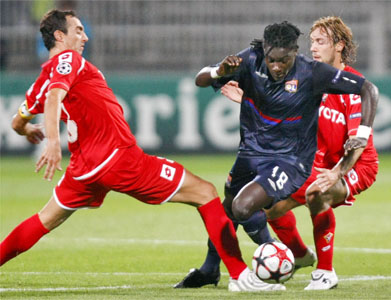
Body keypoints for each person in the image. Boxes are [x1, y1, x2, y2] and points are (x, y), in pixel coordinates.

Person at [0, 9, 286, 292]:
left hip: (84, 168)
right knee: (205, 192)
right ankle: (240, 276)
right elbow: (54, 98)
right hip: (117, 158)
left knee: (43, 220)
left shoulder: (41, 80)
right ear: (59, 36)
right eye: (78, 30)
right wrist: (51, 141)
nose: (85, 36)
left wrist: (27, 130)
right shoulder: (68, 59)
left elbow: (18, 120)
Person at [175, 20, 379, 288]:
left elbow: (359, 131)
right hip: (290, 158)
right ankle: (281, 256)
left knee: (308, 195)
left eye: (321, 42)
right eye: (313, 41)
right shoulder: (254, 61)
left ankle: (322, 270)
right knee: (258, 210)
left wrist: (338, 171)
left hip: (337, 163)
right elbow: (205, 79)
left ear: (339, 46)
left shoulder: (322, 77)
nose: (313, 47)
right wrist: (237, 86)